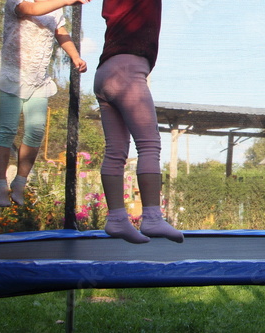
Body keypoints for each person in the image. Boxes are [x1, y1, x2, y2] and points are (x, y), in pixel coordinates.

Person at [0, 0, 89, 207]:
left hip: (37, 81)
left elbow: (61, 31)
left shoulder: (55, 7)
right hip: (11, 77)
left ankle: (20, 181)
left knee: (36, 131)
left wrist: (75, 56)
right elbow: (32, 10)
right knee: (7, 130)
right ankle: (0, 184)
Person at [94, 0, 184, 244]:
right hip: (127, 71)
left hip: (104, 72)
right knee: (149, 145)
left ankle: (116, 218)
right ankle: (152, 217)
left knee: (115, 152)